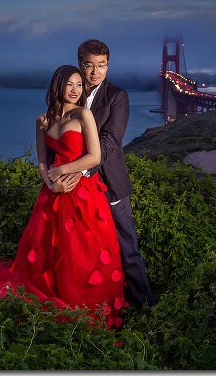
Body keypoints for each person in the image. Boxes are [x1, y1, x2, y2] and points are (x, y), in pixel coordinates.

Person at [0, 65, 126, 329]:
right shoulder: (43, 120)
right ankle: (56, 298)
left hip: (82, 193)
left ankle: (86, 307)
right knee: (49, 253)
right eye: (70, 84)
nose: (75, 90)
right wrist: (50, 183)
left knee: (83, 252)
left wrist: (63, 170)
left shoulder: (83, 115)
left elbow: (95, 156)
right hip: (53, 195)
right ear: (57, 86)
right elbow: (42, 163)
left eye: (79, 85)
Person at [56, 39, 156, 309]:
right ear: (80, 64)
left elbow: (112, 139)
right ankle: (97, 307)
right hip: (76, 191)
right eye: (89, 66)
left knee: (127, 248)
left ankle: (145, 308)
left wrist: (81, 166)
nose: (95, 72)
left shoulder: (117, 96)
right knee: (85, 251)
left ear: (108, 66)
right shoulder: (68, 95)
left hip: (108, 182)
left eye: (102, 66)